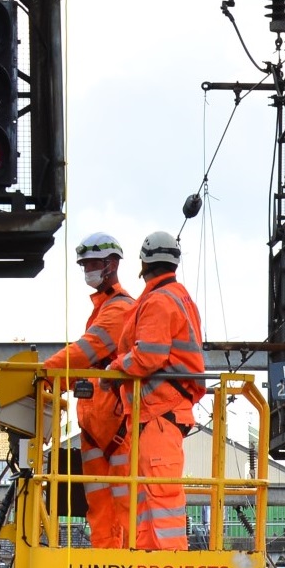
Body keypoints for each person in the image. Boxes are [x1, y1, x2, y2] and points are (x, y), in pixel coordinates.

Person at [105, 232, 205, 551]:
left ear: (143, 264)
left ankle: (167, 562)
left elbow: (148, 355)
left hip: (160, 410)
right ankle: (148, 557)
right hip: (158, 414)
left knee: (160, 493)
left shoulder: (160, 300)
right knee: (149, 493)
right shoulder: (177, 296)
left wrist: (115, 369)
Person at [45, 234, 137, 548]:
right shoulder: (103, 309)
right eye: (84, 264)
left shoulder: (120, 309)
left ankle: (125, 563)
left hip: (117, 424)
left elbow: (86, 351)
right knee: (99, 506)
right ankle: (105, 560)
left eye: (92, 264)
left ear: (111, 265)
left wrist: (44, 375)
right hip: (96, 425)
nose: (87, 270)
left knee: (123, 503)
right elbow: (89, 364)